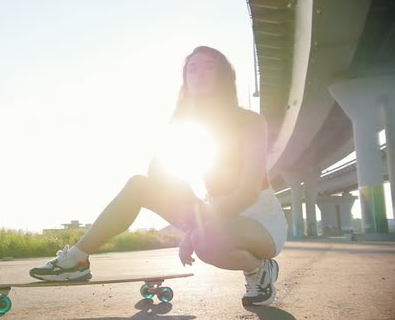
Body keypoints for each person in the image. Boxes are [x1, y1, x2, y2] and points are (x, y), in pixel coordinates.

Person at [29, 46, 288, 306]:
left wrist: (198, 228)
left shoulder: (249, 121)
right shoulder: (185, 125)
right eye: (192, 67)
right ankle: (77, 259)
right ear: (185, 77)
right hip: (216, 215)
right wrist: (190, 210)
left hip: (259, 221)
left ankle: (259, 269)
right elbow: (161, 172)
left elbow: (248, 192)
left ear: (224, 77)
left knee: (206, 241)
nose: (199, 73)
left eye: (210, 67)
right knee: (139, 185)